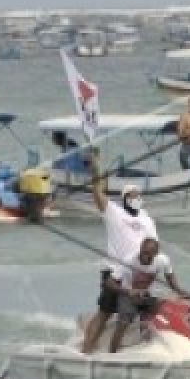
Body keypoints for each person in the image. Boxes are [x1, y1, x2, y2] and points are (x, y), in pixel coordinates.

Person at [81, 148, 158, 353]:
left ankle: (139, 348)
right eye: (132, 196)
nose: (137, 198)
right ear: (124, 198)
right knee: (105, 312)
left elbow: (154, 248)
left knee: (141, 312)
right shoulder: (114, 212)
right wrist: (96, 165)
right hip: (114, 272)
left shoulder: (147, 219)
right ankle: (86, 349)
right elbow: (98, 192)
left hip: (136, 274)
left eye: (138, 195)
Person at [105, 237, 190, 353]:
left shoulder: (163, 260)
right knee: (124, 322)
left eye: (148, 254)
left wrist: (179, 291)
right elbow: (109, 282)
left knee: (164, 312)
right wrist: (128, 291)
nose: (144, 256)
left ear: (156, 254)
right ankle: (111, 353)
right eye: (142, 252)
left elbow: (169, 276)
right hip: (128, 295)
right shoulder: (129, 260)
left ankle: (147, 348)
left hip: (147, 295)